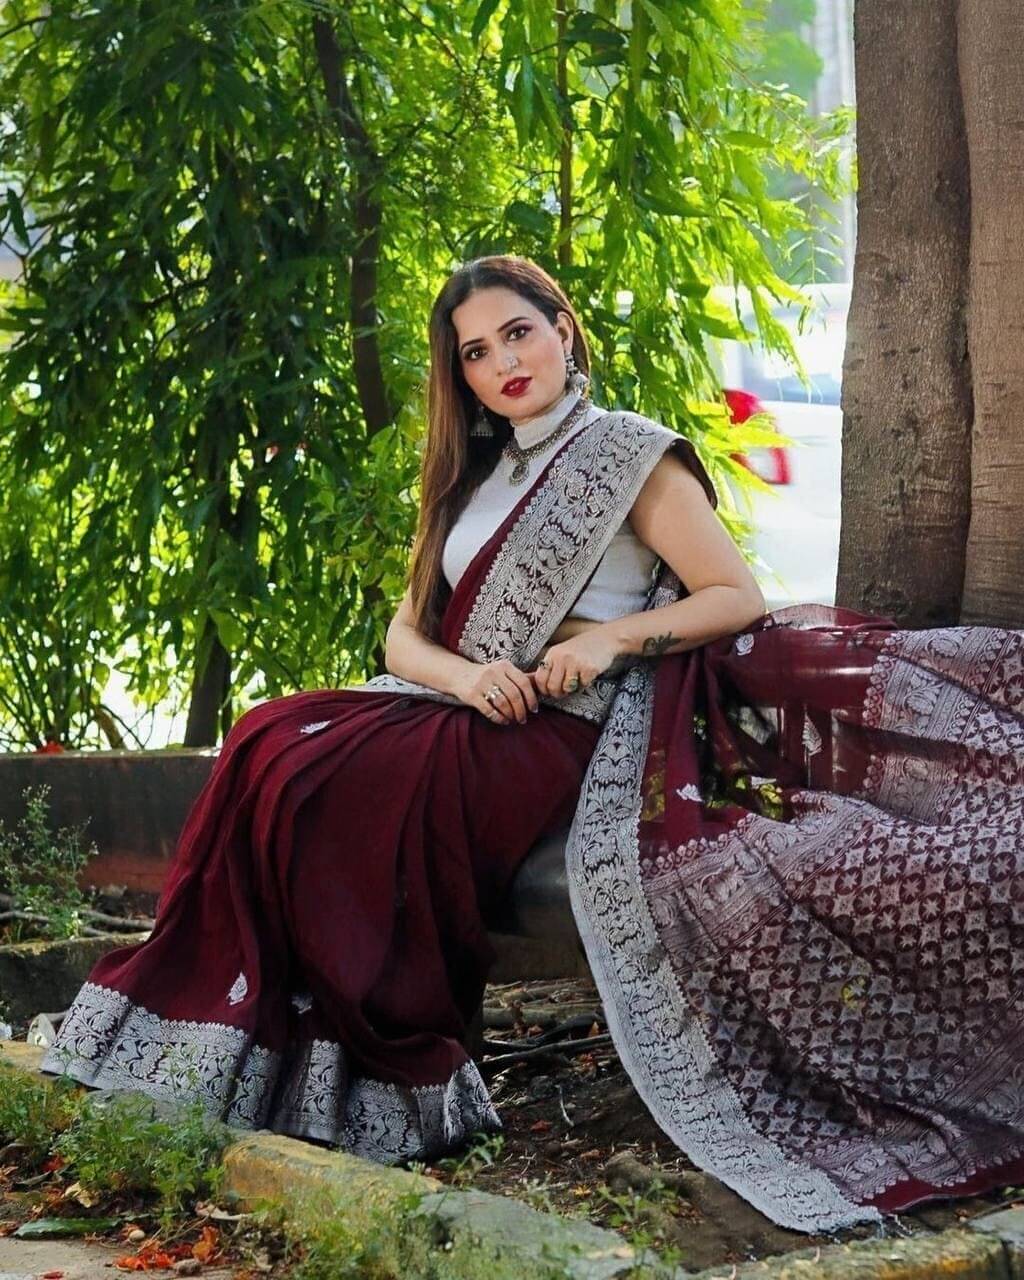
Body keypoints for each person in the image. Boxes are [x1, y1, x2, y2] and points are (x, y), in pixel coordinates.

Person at [40, 255, 1024, 1235]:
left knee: (349, 779)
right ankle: (253, 1043)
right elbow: (403, 636)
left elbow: (734, 595)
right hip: (465, 703)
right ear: (460, 375)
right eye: (475, 351)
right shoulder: (470, 476)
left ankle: (387, 1070)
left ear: (563, 328)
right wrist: (466, 677)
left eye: (518, 331)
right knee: (267, 738)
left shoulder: (632, 456)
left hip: (569, 725)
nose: (502, 361)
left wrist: (603, 639)